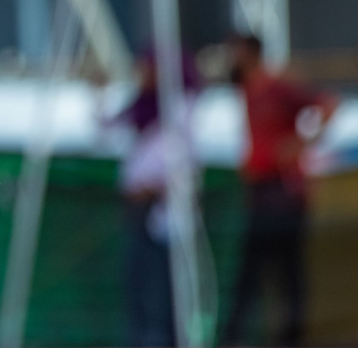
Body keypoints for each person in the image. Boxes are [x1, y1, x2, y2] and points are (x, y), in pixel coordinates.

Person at [220, 33, 338, 346]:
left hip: (283, 194)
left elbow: (328, 104)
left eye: (236, 51)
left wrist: (299, 145)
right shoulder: (246, 89)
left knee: (285, 272)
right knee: (254, 274)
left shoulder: (277, 86)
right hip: (260, 192)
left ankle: (287, 338)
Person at [107, 50, 200, 347]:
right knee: (140, 285)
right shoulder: (143, 109)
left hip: (162, 213)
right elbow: (105, 129)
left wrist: (155, 187)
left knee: (161, 286)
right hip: (140, 210)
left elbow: (182, 163)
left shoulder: (181, 110)